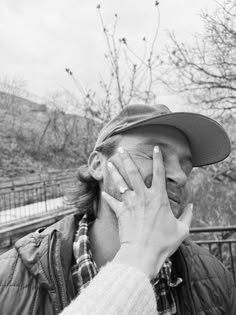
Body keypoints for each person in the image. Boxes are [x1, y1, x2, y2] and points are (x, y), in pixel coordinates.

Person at [0, 104, 235, 315]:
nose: (180, 176)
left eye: (187, 164)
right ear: (98, 165)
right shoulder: (8, 281)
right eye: (155, 154)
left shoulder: (216, 278)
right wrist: (137, 261)